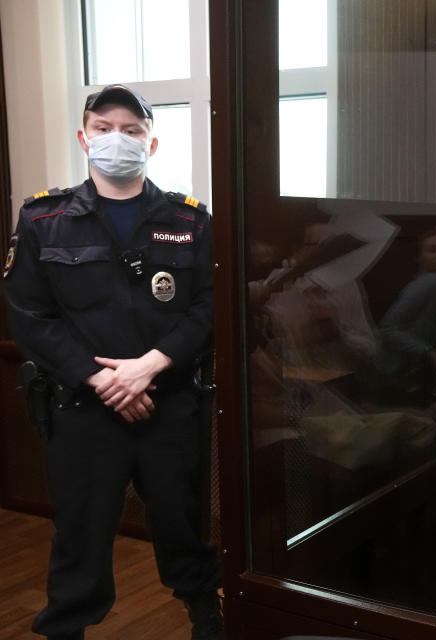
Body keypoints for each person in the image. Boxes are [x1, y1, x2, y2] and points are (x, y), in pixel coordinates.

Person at [3, 85, 222, 640]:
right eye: (103, 128)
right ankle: (66, 629)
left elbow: (208, 307)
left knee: (184, 525)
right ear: (84, 138)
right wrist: (103, 377)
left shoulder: (190, 220)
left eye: (131, 130)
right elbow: (30, 316)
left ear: (151, 145)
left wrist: (150, 365)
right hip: (82, 408)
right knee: (80, 533)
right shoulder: (43, 219)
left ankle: (206, 617)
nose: (116, 139)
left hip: (168, 404)